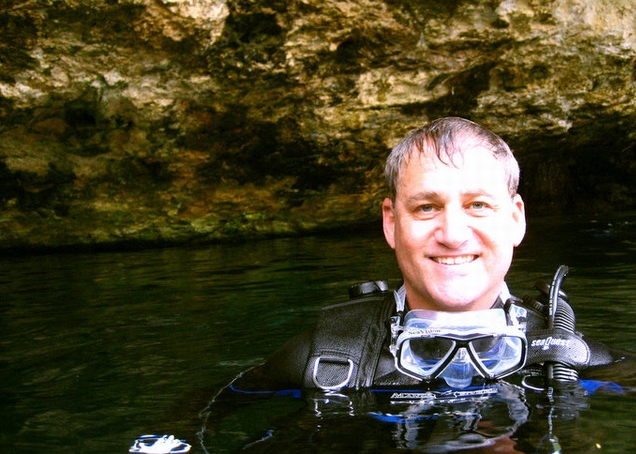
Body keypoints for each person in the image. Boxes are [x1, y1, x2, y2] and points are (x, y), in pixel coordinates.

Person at [237, 116, 615, 393]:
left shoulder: (572, 361)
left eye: (478, 205)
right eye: (426, 208)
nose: (452, 235)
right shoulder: (315, 359)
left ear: (516, 220)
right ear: (391, 223)